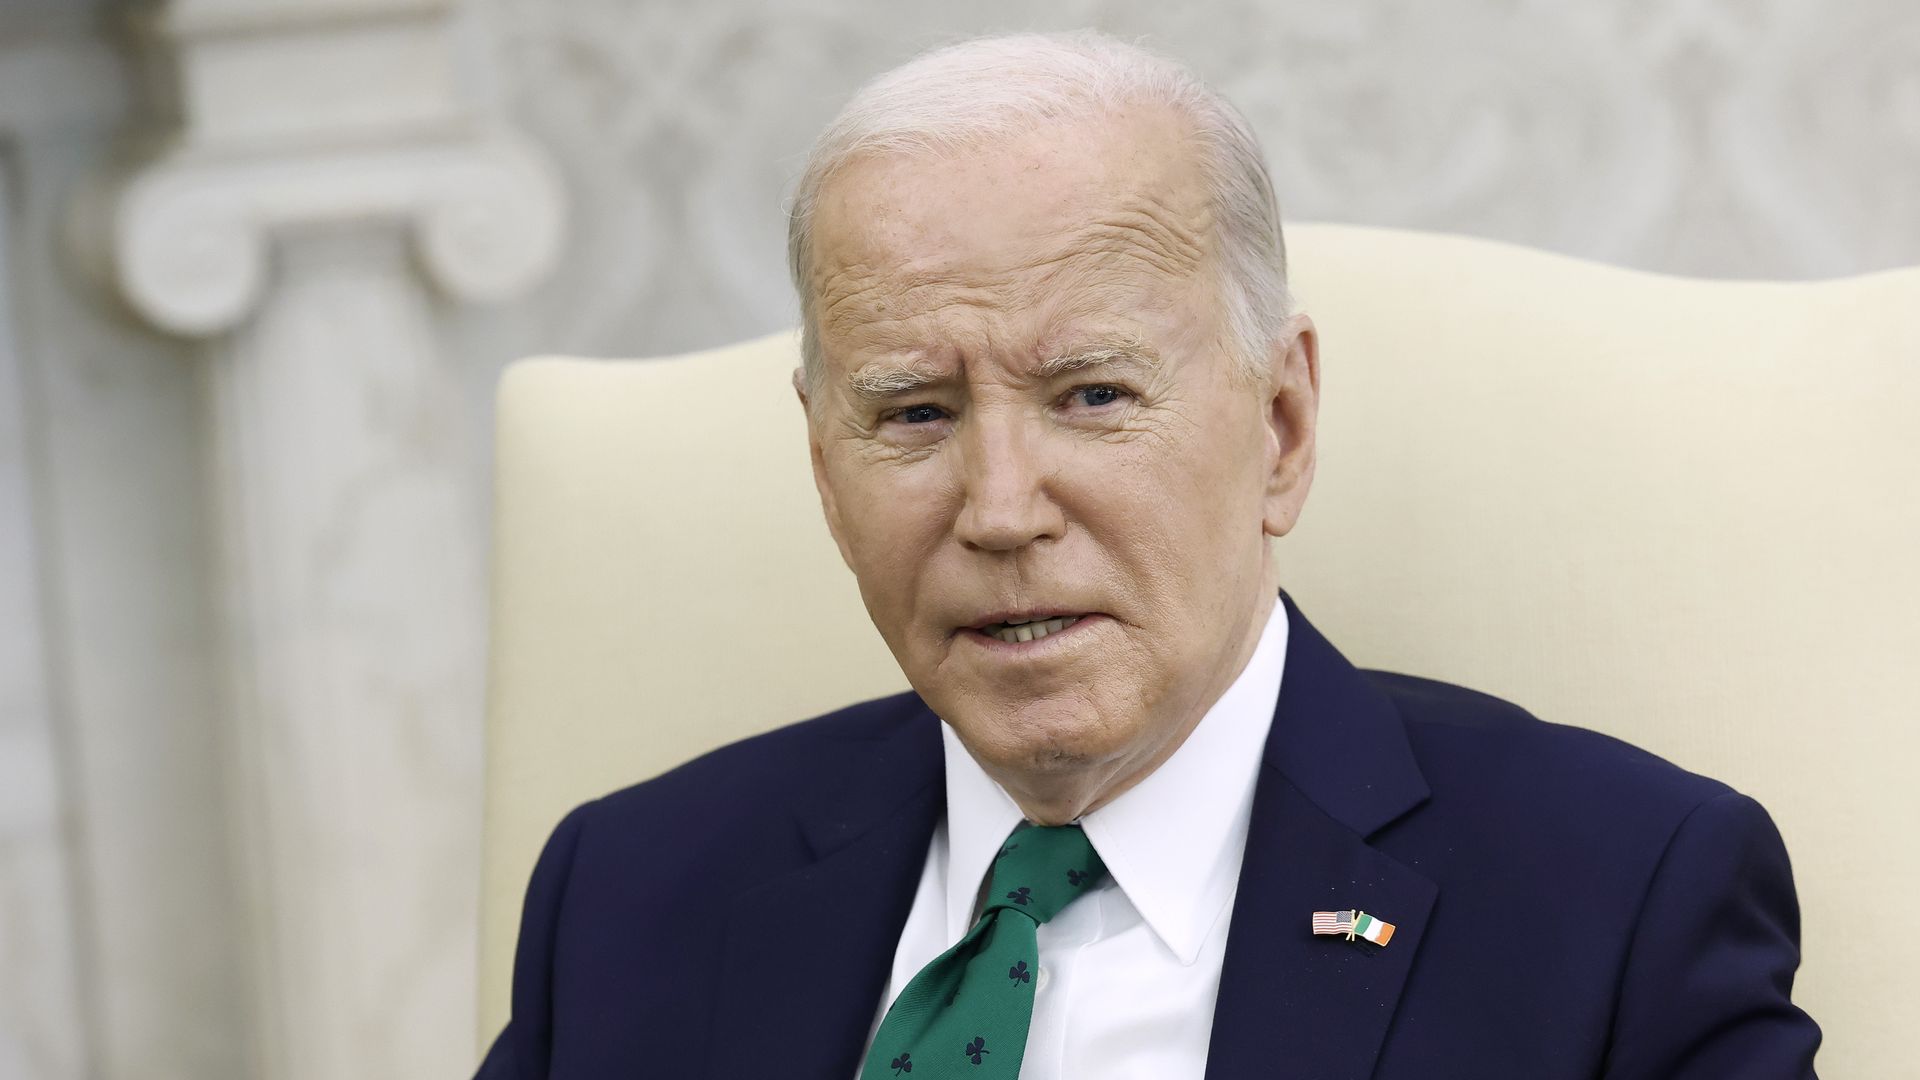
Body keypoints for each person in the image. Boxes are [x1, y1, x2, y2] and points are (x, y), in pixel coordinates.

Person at [476, 29, 1820, 1079]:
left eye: (1094, 397)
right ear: (826, 470)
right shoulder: (629, 894)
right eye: (914, 414)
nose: (1001, 509)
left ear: (1281, 428)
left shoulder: (1618, 896)